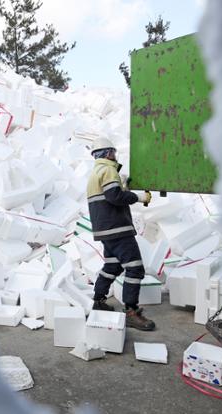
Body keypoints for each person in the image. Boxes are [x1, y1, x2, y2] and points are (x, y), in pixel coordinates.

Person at [86, 137, 156, 331]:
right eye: (113, 152)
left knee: (112, 266)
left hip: (105, 230)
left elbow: (109, 196)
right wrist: (139, 197)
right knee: (135, 268)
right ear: (109, 153)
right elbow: (114, 197)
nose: (115, 155)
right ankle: (131, 311)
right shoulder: (108, 170)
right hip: (118, 229)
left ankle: (98, 300)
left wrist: (122, 185)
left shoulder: (96, 173)